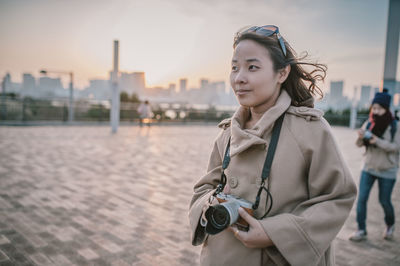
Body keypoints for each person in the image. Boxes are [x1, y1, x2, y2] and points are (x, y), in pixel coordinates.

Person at [188, 25, 357, 266]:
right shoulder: (227, 133)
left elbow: (336, 197)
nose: (239, 78)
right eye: (234, 67)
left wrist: (274, 234)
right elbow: (203, 189)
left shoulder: (310, 130)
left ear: (282, 73)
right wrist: (210, 204)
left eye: (252, 67)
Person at [349, 89, 399, 242]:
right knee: (361, 198)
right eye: (374, 108)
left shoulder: (395, 125)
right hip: (368, 167)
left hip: (387, 170)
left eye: (379, 108)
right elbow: (358, 144)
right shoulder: (369, 122)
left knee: (384, 201)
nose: (376, 111)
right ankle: (361, 229)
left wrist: (377, 141)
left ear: (386, 108)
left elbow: (396, 147)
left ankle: (390, 225)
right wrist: (361, 137)